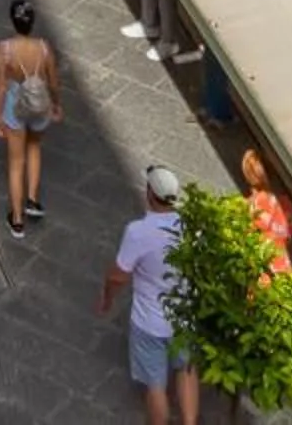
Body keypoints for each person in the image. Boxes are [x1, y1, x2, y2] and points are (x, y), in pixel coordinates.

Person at [100, 166, 198, 425]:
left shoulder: (138, 232)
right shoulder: (191, 226)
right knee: (186, 369)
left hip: (149, 322)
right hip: (184, 317)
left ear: (149, 194)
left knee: (155, 385)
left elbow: (119, 275)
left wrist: (108, 296)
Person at [0, 0, 62, 236]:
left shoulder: (5, 49)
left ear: (13, 21)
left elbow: (1, 86)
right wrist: (56, 104)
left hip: (15, 104)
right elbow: (53, 81)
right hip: (39, 103)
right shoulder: (44, 48)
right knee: (34, 148)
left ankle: (17, 219)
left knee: (15, 163)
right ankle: (32, 199)